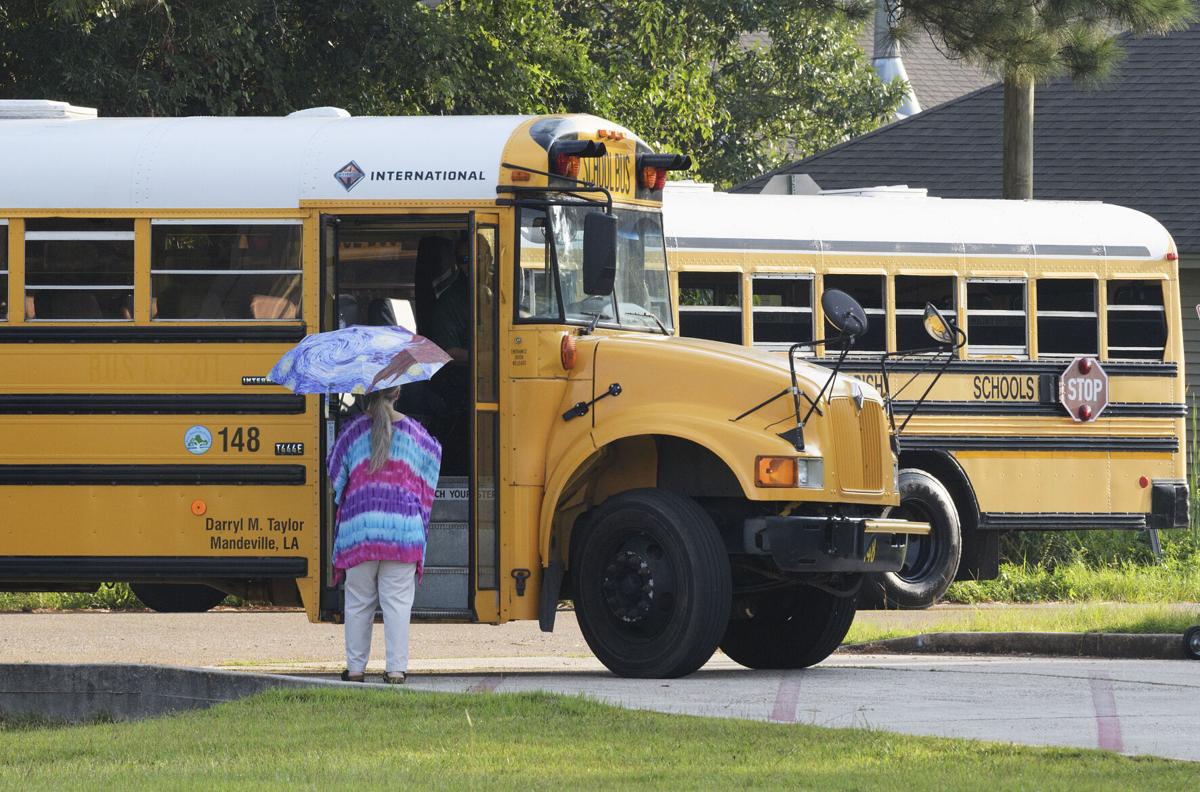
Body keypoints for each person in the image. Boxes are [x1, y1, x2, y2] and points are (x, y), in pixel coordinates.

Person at [327, 386, 442, 683]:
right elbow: (430, 475)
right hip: (403, 532)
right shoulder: (416, 435)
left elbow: (335, 478)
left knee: (358, 603)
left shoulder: (352, 432)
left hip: (359, 531)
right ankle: (395, 671)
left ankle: (355, 670)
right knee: (398, 604)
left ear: (366, 393)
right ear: (399, 392)